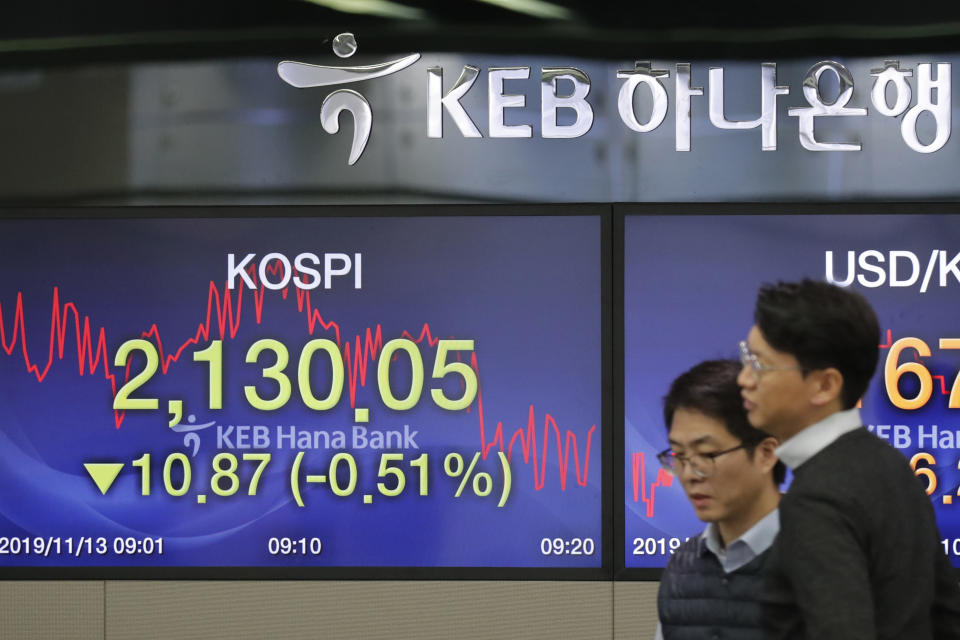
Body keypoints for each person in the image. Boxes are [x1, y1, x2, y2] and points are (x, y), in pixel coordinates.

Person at [737, 279, 960, 639]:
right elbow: (947, 616)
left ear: (825, 385)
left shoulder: (817, 498)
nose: (744, 379)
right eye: (745, 358)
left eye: (759, 365)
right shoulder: (893, 467)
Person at [654, 359, 785, 640]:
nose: (690, 474)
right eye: (678, 456)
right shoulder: (681, 568)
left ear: (766, 454)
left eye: (708, 455)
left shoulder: (825, 560)